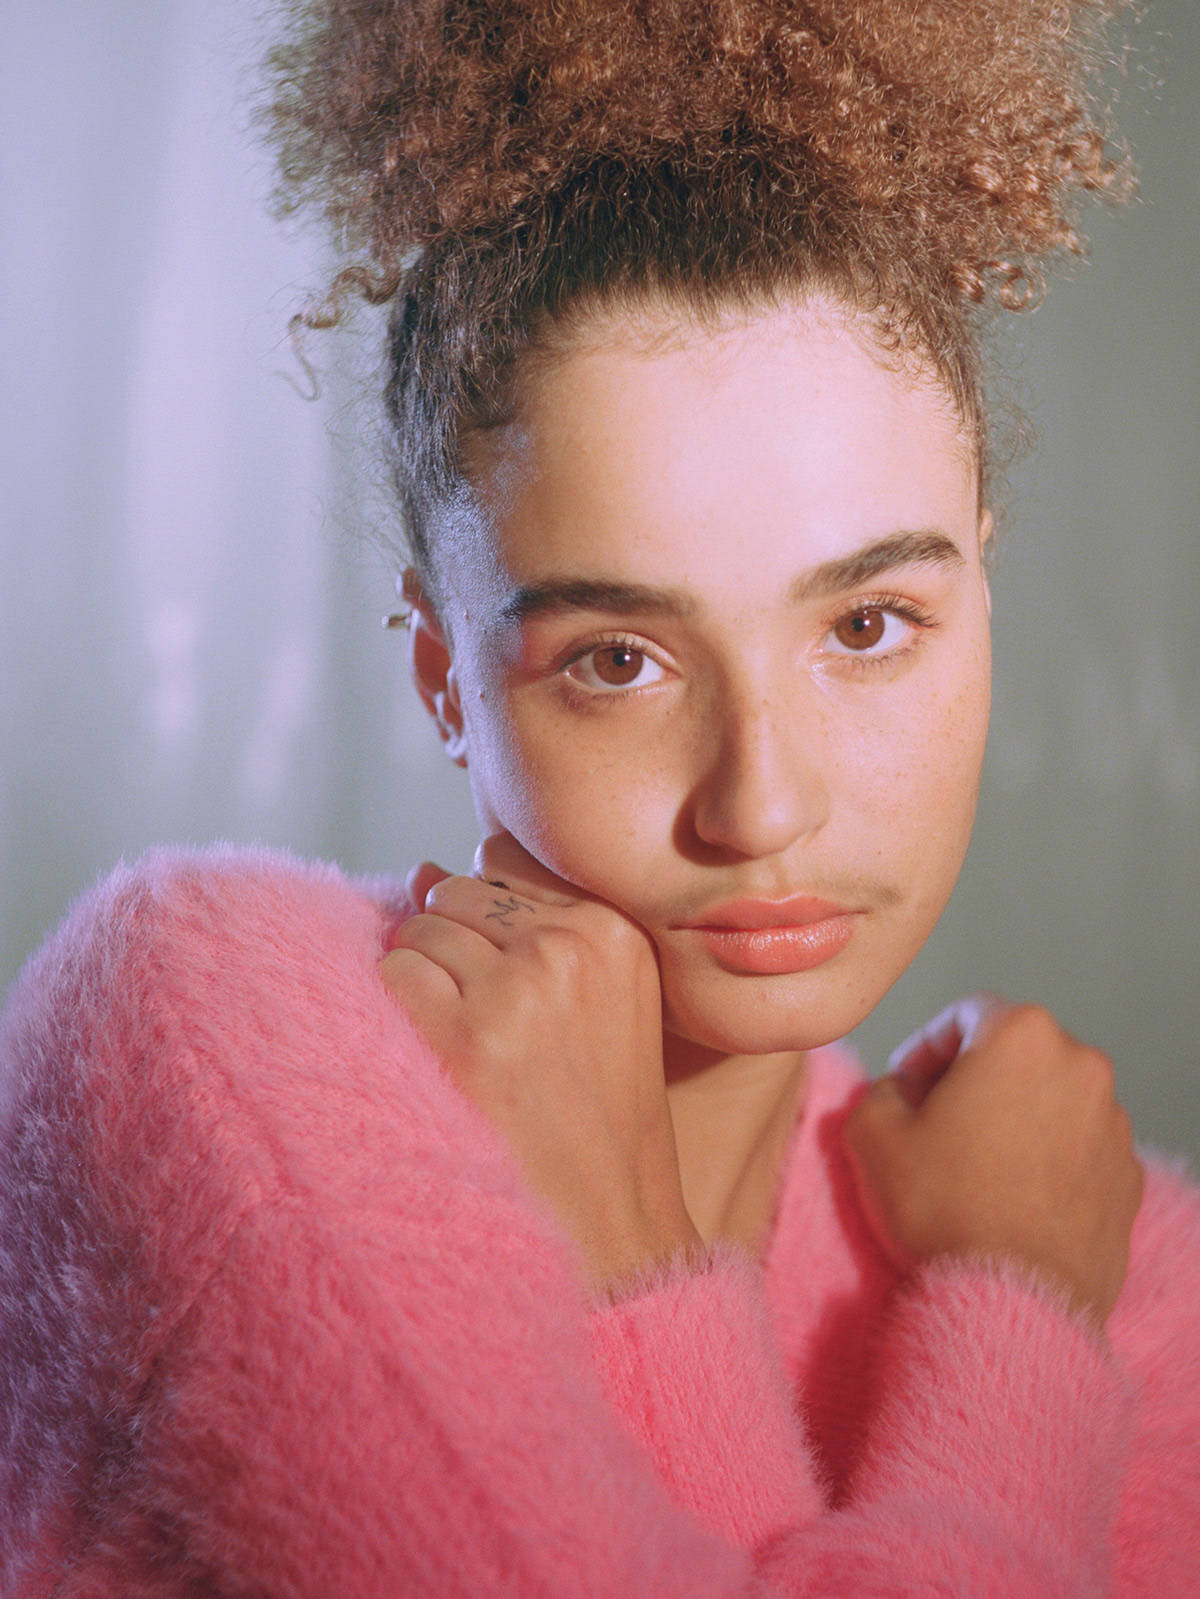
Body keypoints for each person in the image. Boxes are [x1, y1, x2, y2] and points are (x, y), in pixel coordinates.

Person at [1, 1, 1197, 1593]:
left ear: (983, 586)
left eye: (866, 628)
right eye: (619, 661)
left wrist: (1034, 1275)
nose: (760, 806)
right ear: (442, 678)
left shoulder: (1132, 1264)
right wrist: (1005, 1319)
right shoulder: (215, 1025)